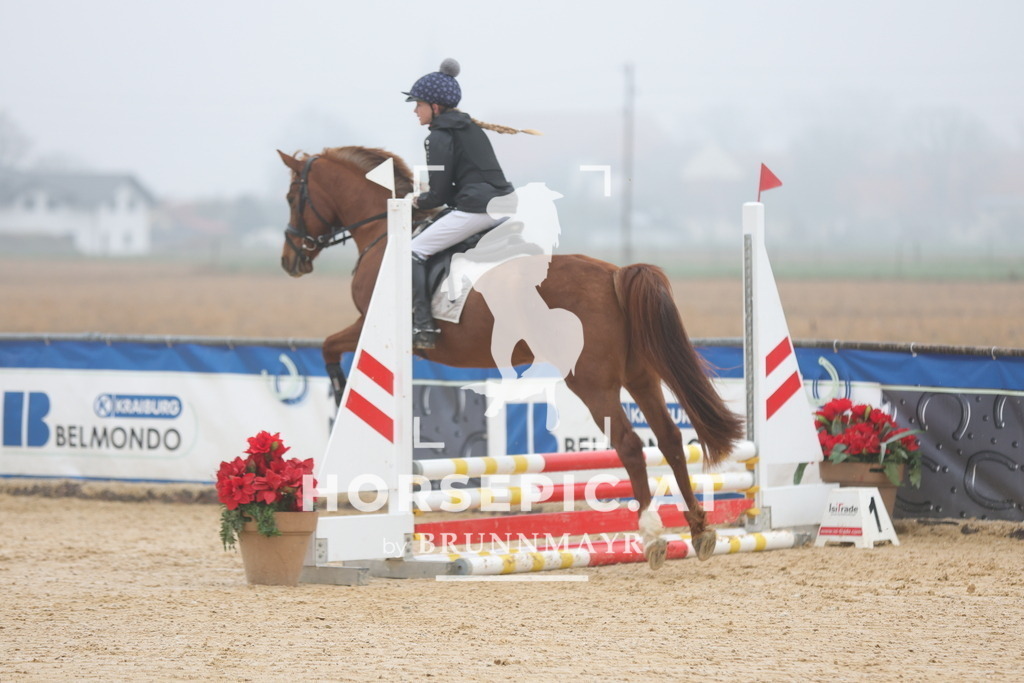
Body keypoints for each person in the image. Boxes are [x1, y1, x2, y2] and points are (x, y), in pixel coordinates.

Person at [403, 58, 533, 350]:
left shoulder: (439, 136)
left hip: (479, 209)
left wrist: (415, 200)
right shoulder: (469, 127)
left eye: (419, 104)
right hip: (501, 204)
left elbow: (437, 196)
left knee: (413, 250)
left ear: (435, 107)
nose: (415, 110)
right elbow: (456, 186)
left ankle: (423, 324)